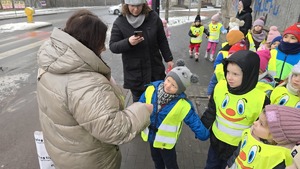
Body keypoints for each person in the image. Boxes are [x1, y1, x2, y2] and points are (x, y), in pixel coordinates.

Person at [36, 9, 153, 169]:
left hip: (64, 152)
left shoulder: (51, 63)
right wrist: (143, 110)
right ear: (90, 42)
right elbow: (114, 129)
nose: (103, 48)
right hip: (90, 160)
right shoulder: (87, 83)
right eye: (100, 42)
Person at [201, 50, 270, 169]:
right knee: (211, 166)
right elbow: (212, 110)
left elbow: (263, 125)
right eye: (228, 72)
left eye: (235, 74)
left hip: (238, 148)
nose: (229, 77)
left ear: (249, 74)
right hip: (216, 142)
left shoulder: (261, 99)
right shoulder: (220, 87)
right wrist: (201, 128)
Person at [139, 60, 210, 169]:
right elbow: (140, 105)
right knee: (157, 160)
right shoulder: (151, 89)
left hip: (166, 143)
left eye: (174, 86)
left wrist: (204, 134)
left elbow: (194, 122)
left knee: (171, 164)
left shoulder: (182, 105)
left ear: (179, 90)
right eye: (168, 80)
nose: (168, 86)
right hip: (151, 137)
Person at [109, 0, 174, 102]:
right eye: (132, 6)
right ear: (126, 5)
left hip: (155, 70)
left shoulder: (153, 17)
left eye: (139, 6)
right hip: (135, 73)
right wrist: (128, 42)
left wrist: (168, 58)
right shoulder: (120, 22)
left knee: (157, 101)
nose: (136, 9)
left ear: (144, 4)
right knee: (139, 104)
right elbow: (113, 46)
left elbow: (162, 39)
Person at [227, 105, 300, 169]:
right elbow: (237, 153)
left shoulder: (280, 157)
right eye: (258, 120)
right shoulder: (250, 135)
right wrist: (229, 165)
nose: (255, 123)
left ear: (276, 135)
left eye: (261, 124)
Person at [207, 30, 245, 98]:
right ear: (235, 40)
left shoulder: (241, 49)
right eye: (241, 39)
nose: (243, 41)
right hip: (221, 75)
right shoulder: (223, 52)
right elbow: (216, 65)